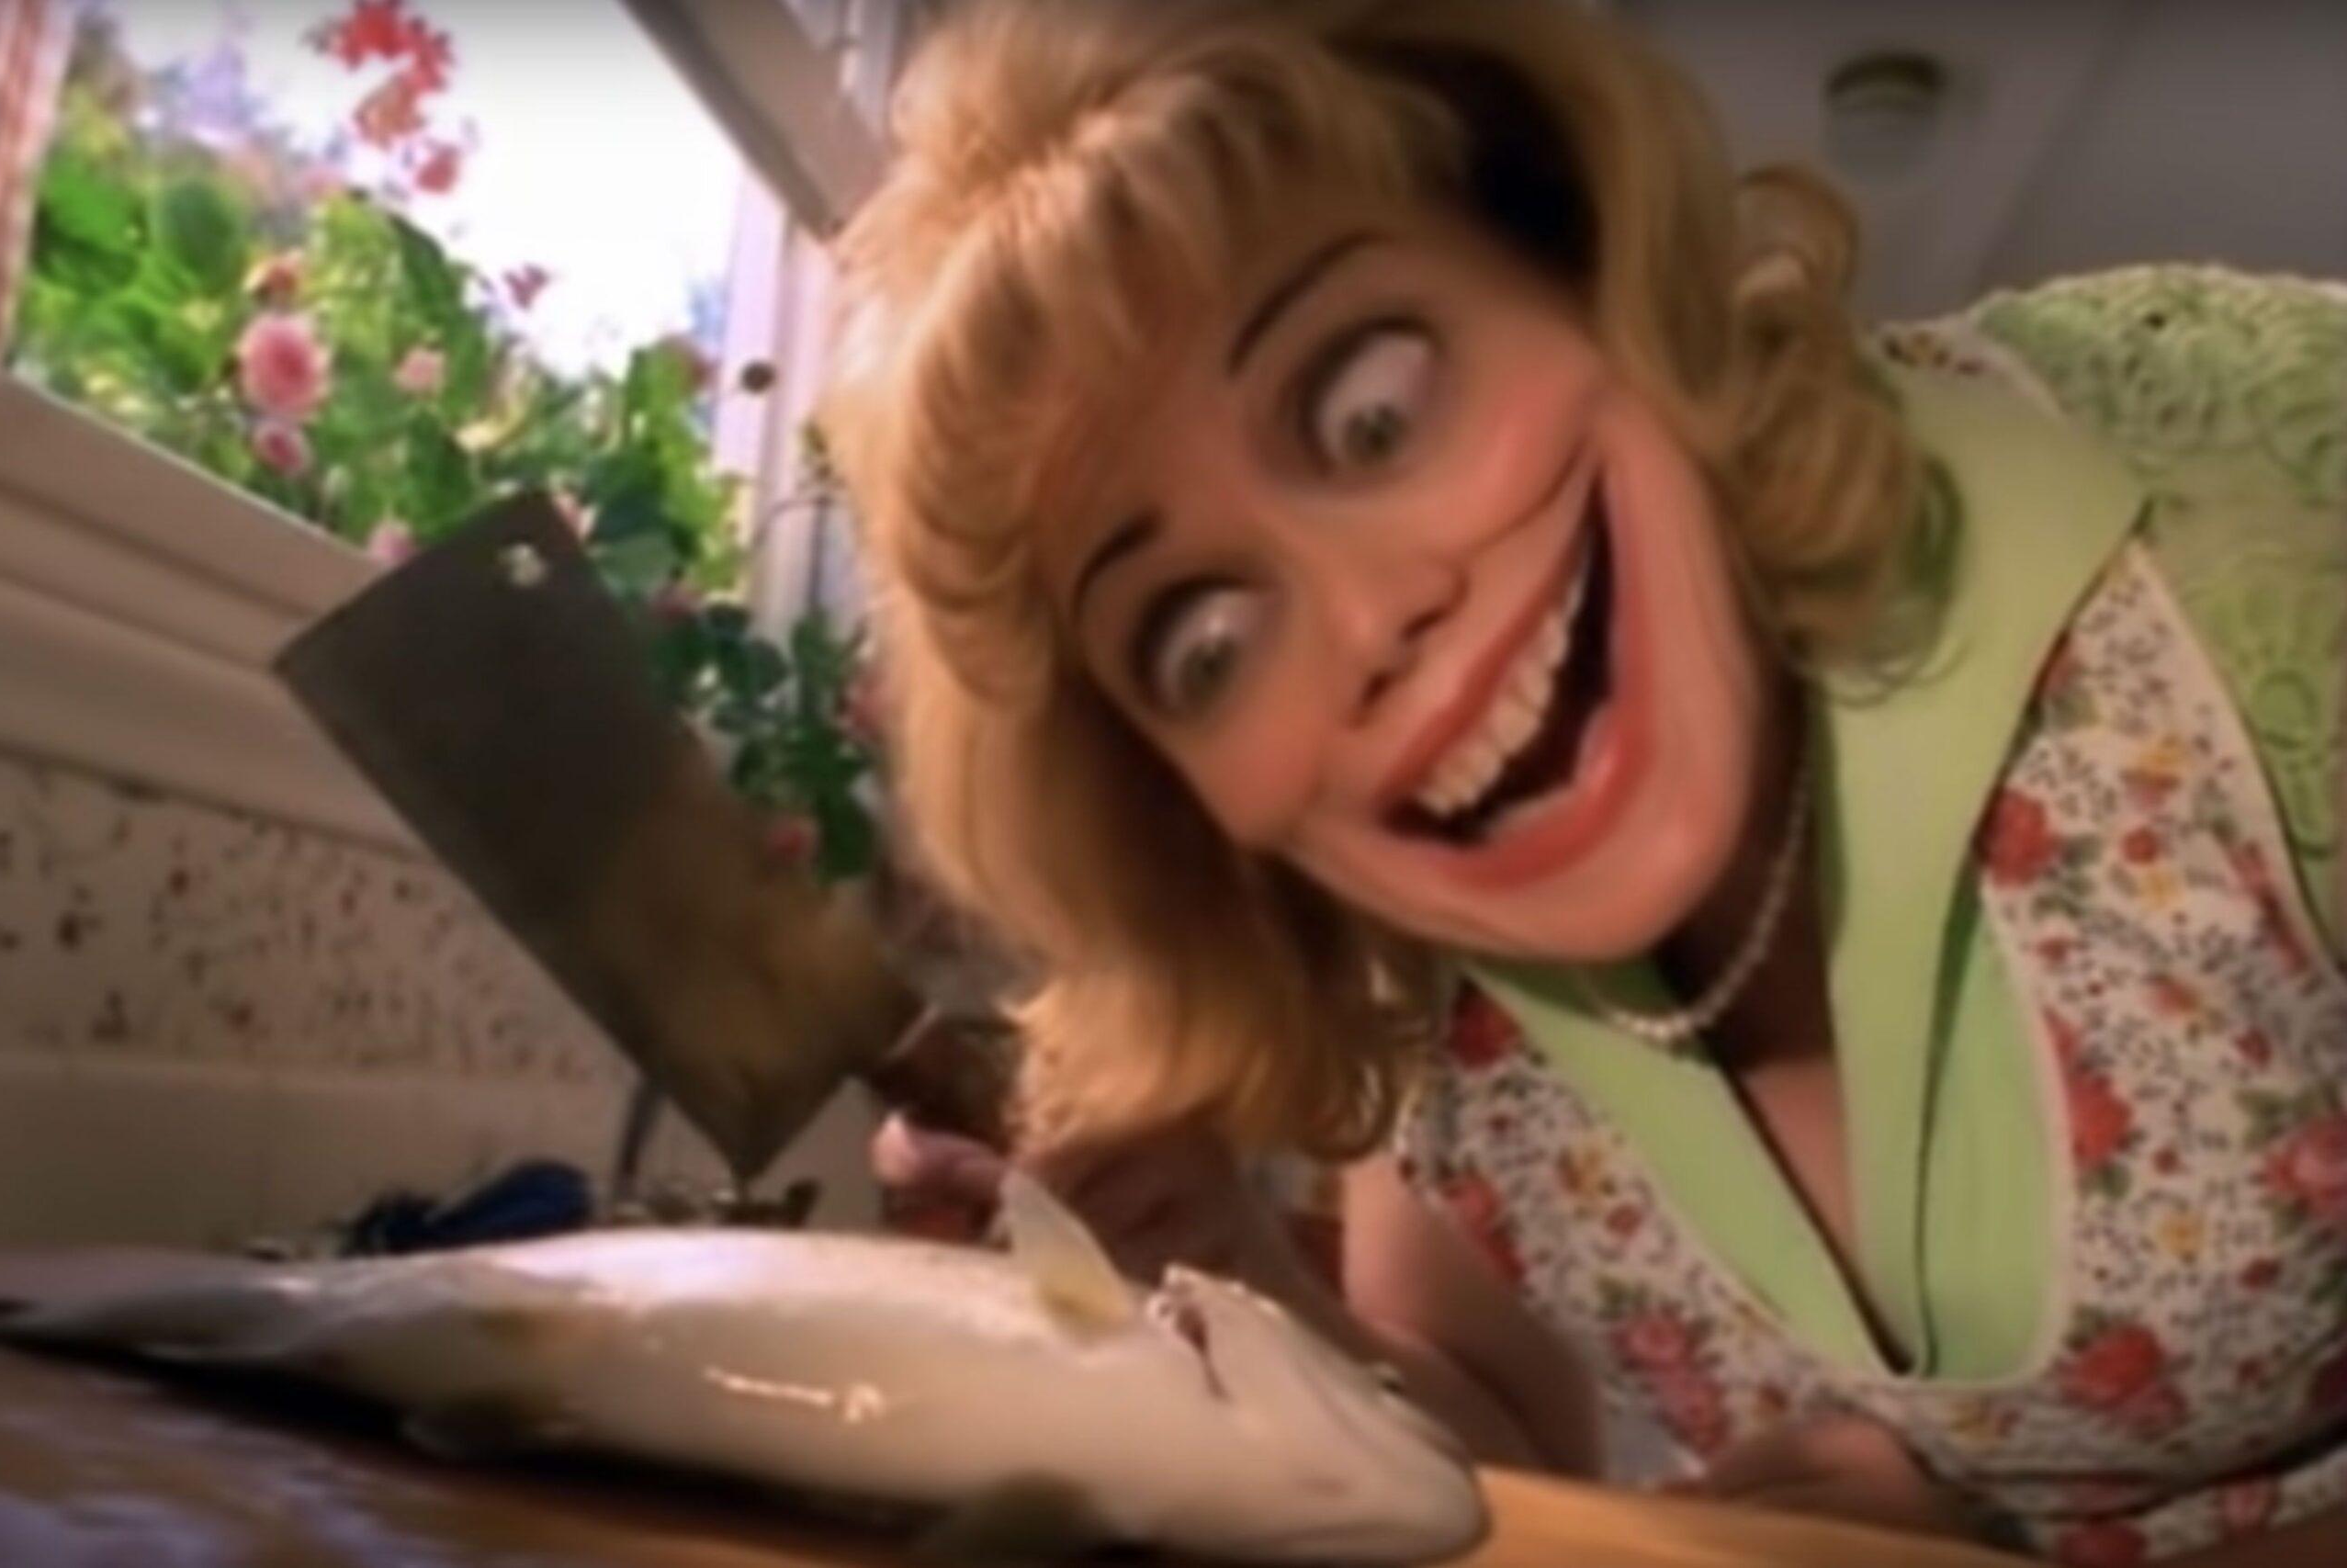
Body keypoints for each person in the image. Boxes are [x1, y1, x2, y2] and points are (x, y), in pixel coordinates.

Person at [820, 1, 2347, 1561]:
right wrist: (1241, 1279)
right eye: (1205, 644)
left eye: (1371, 413)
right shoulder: (1420, 982)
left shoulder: (2269, 527)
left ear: (1580, 261)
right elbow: (1502, 1433)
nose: (1366, 619)